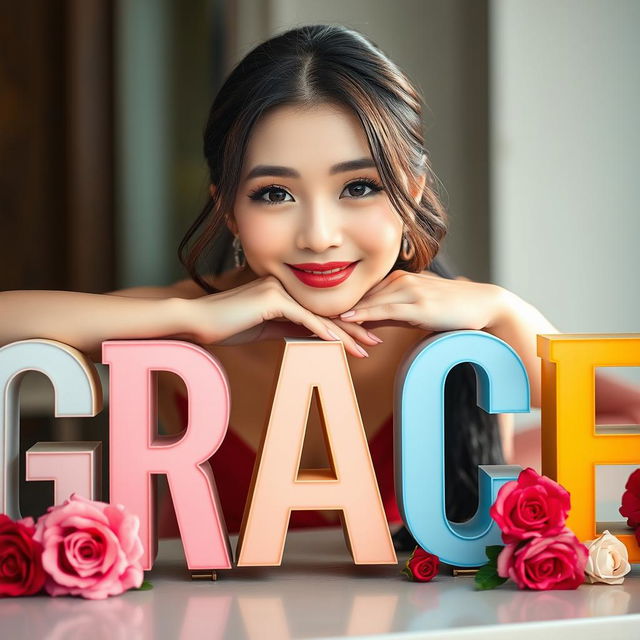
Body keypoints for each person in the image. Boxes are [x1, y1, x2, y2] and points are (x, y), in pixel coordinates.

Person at [2, 25, 638, 547]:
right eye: (274, 194)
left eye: (359, 187)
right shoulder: (189, 322)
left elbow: (618, 409)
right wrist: (189, 317)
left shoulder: (468, 327)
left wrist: (502, 307)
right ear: (228, 209)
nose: (319, 235)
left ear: (410, 192)